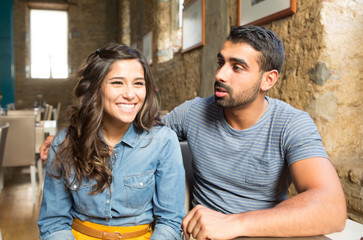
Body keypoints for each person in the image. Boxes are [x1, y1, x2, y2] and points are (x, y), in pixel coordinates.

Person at [40, 25, 347, 239]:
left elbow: (332, 209)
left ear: (268, 79)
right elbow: (137, 126)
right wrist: (73, 137)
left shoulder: (291, 124)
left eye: (237, 67)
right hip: (200, 236)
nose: (219, 74)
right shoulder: (195, 112)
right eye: (221, 62)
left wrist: (234, 224)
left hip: (260, 233)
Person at [38, 43, 185, 240]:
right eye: (117, 83)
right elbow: (53, 222)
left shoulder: (163, 141)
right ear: (96, 88)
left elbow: (171, 221)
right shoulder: (64, 142)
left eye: (138, 83)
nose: (130, 94)